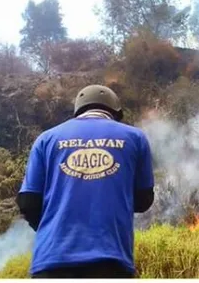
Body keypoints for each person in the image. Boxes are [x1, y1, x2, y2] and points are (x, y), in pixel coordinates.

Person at [16, 85, 155, 278]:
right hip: (111, 260)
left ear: (79, 109)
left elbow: (27, 202)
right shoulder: (135, 137)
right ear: (114, 111)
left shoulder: (46, 139)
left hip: (51, 261)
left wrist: (56, 227)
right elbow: (143, 200)